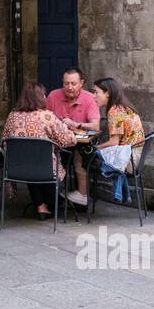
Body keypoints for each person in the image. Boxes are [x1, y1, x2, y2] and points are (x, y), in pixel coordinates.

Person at [2, 80, 76, 220]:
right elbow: (68, 139)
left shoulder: (12, 116)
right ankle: (54, 202)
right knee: (43, 161)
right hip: (44, 167)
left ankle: (40, 206)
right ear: (40, 97)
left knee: (31, 160)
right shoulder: (46, 116)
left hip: (17, 167)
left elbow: (4, 139)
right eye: (44, 95)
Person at [47, 68, 101, 207]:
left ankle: (81, 195)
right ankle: (53, 198)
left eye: (73, 83)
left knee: (81, 153)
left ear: (81, 83)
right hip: (57, 142)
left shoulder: (89, 98)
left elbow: (95, 126)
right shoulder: (53, 96)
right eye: (66, 84)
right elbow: (44, 119)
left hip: (79, 143)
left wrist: (77, 124)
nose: (69, 87)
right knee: (45, 151)